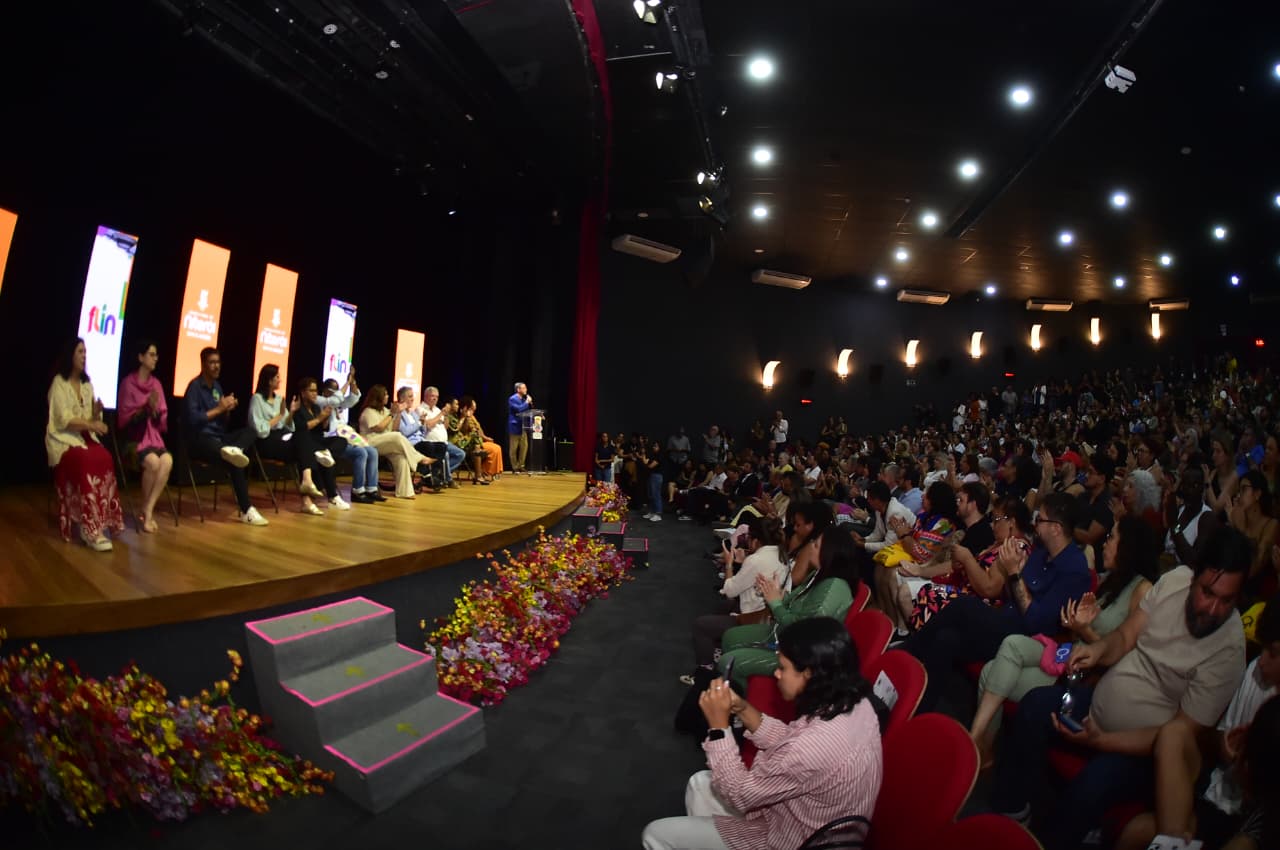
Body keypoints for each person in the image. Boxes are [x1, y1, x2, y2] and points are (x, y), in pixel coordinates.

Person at [991, 525, 1251, 850]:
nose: (1212, 609)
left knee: (1091, 786)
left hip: (1144, 751)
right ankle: (1010, 815)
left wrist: (1103, 741)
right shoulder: (1175, 581)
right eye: (1207, 593)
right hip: (1099, 703)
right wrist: (1096, 651)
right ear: (1194, 577)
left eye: (1226, 600)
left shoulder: (1229, 650)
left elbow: (1179, 735)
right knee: (1034, 705)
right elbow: (1125, 637)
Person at [643, 618, 882, 850]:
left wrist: (718, 727)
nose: (777, 674)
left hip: (786, 840)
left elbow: (740, 794)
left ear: (808, 673)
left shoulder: (811, 746)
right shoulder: (856, 703)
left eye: (783, 668)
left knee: (656, 834)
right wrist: (743, 708)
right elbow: (790, 741)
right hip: (797, 820)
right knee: (698, 784)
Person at [970, 515, 1160, 755]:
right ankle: (979, 742)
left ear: (1129, 547)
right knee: (1011, 644)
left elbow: (1121, 655)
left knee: (989, 673)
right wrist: (1074, 625)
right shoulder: (1110, 581)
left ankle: (979, 746)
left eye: (1112, 537)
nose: (1105, 543)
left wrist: (1083, 629)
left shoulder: (1143, 590)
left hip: (1085, 677)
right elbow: (1077, 637)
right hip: (1066, 655)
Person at [902, 492, 1090, 714]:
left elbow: (1036, 621)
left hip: (1029, 639)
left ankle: (905, 653)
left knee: (964, 605)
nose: (1035, 525)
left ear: (1056, 528)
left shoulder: (1074, 569)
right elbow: (1012, 596)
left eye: (1041, 520)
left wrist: (1013, 573)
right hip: (1007, 619)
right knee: (946, 639)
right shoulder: (1041, 554)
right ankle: (917, 706)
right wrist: (1014, 573)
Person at [1115, 601, 1279, 850]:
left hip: (1250, 815)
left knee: (1139, 830)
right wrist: (1228, 747)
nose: (1263, 661)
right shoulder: (1256, 671)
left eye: (1274, 654)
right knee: (1175, 732)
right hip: (1220, 786)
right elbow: (1219, 738)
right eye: (1264, 649)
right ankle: (1174, 840)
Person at [717, 525, 859, 691]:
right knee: (730, 637)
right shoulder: (819, 574)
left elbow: (805, 631)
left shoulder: (834, 586)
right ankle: (735, 687)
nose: (811, 547)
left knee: (728, 661)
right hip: (785, 635)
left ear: (829, 553)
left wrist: (776, 603)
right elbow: (795, 602)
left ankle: (742, 704)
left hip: (802, 656)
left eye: (816, 545)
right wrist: (778, 594)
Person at [685, 516, 790, 683]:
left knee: (701, 625)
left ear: (755, 540)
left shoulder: (756, 560)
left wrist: (729, 564)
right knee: (723, 608)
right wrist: (742, 564)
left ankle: (704, 672)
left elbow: (729, 590)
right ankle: (717, 651)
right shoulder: (781, 554)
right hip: (765, 614)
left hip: (754, 618)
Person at [46, 338, 125, 550]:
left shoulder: (87, 384)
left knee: (105, 457)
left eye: (85, 352)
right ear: (70, 355)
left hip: (85, 437)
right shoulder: (59, 384)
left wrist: (97, 413)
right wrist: (91, 423)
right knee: (85, 459)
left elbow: (89, 416)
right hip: (64, 439)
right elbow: (63, 419)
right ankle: (89, 529)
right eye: (80, 352)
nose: (84, 356)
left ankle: (100, 521)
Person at [910, 495, 1031, 631]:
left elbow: (990, 589)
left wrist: (967, 559)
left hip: (983, 605)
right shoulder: (999, 544)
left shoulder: (1015, 547)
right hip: (968, 593)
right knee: (922, 591)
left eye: (997, 520)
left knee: (930, 594)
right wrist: (962, 565)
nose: (992, 525)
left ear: (1012, 522)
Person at [184, 347, 268, 526]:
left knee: (250, 431)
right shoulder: (195, 387)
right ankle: (247, 510)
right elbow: (192, 420)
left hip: (219, 438)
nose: (216, 366)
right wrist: (219, 409)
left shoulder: (217, 387)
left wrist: (227, 410)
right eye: (212, 362)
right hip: (200, 440)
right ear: (203, 364)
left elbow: (222, 422)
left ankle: (235, 449)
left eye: (218, 362)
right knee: (235, 461)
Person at [249, 364, 328, 515]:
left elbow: (289, 426)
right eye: (277, 377)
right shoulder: (257, 399)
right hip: (265, 442)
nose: (280, 379)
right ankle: (307, 498)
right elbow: (259, 430)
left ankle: (307, 482)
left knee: (303, 438)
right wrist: (279, 416)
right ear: (268, 380)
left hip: (282, 437)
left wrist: (291, 412)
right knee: (305, 449)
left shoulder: (280, 399)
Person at [117, 339, 173, 533]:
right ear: (141, 357)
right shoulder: (128, 383)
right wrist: (145, 408)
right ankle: (146, 511)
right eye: (151, 354)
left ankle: (148, 508)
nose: (155, 358)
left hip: (153, 437)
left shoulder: (156, 383)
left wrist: (155, 411)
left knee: (167, 461)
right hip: (134, 439)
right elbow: (124, 420)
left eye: (156, 355)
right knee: (153, 463)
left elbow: (162, 418)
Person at [357, 384, 440, 497]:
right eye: (385, 394)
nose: (388, 396)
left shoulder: (385, 411)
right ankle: (420, 458)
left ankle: (404, 492)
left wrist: (398, 413)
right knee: (397, 436)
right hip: (370, 442)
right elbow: (379, 428)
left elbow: (393, 428)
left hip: (385, 442)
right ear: (378, 397)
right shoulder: (368, 411)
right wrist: (392, 413)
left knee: (401, 458)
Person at [319, 372, 383, 503]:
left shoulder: (338, 404)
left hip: (346, 436)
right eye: (334, 390)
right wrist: (346, 383)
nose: (338, 393)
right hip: (332, 440)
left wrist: (352, 381)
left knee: (372, 451)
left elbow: (353, 398)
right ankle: (357, 491)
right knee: (361, 453)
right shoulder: (321, 402)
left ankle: (371, 488)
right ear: (325, 391)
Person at [291, 377, 351, 511]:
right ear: (303, 392)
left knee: (341, 441)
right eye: (311, 390)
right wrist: (320, 418)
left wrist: (326, 419)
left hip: (319, 440)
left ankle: (326, 454)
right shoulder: (297, 408)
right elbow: (302, 428)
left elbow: (321, 428)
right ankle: (332, 497)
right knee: (324, 459)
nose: (314, 393)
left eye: (315, 390)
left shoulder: (316, 407)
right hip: (306, 442)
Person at [399, 385, 463, 489]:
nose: (412, 399)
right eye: (410, 396)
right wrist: (421, 423)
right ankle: (435, 477)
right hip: (413, 443)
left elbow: (424, 428)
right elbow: (406, 431)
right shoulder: (416, 410)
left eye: (437, 397)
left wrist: (445, 415)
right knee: (432, 447)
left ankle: (434, 476)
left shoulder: (413, 413)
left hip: (427, 440)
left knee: (442, 447)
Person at [507, 381, 532, 473]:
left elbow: (527, 412)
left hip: (523, 426)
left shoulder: (523, 399)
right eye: (524, 388)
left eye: (526, 388)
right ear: (518, 389)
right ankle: (515, 467)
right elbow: (518, 409)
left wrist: (538, 415)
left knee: (524, 447)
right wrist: (526, 402)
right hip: (515, 426)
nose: (526, 389)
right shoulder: (512, 399)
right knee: (513, 448)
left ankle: (521, 465)